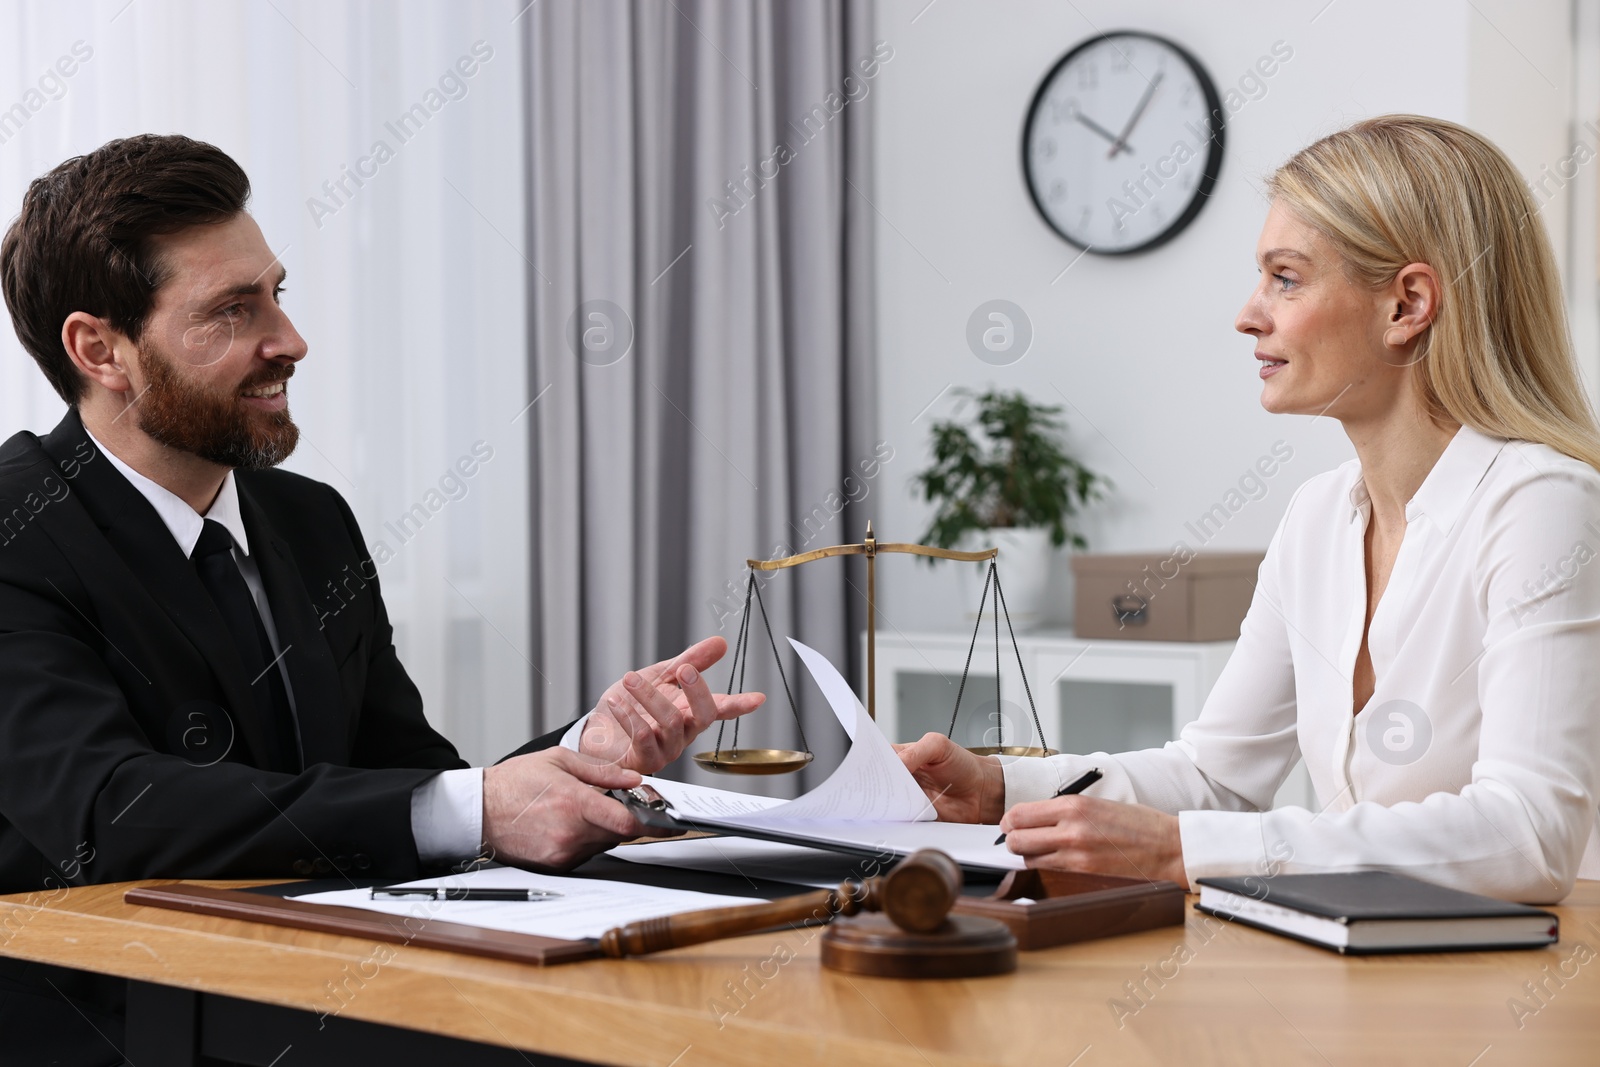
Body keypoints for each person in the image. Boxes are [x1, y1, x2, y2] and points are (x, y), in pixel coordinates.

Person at [0, 134, 763, 1064]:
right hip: (112, 1029)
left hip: (326, 996)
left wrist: (574, 757)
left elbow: (407, 779)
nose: (289, 340)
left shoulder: (311, 521)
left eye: (277, 293)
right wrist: (475, 804)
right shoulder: (16, 526)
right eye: (233, 311)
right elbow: (110, 813)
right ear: (100, 349)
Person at [899, 115, 1600, 905]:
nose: (1248, 313)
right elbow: (1217, 776)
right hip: (1366, 960)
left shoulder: (1541, 505)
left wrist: (1184, 849)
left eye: (1286, 278)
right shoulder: (1317, 518)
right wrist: (1000, 787)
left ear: (1407, 305)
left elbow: (1530, 834)